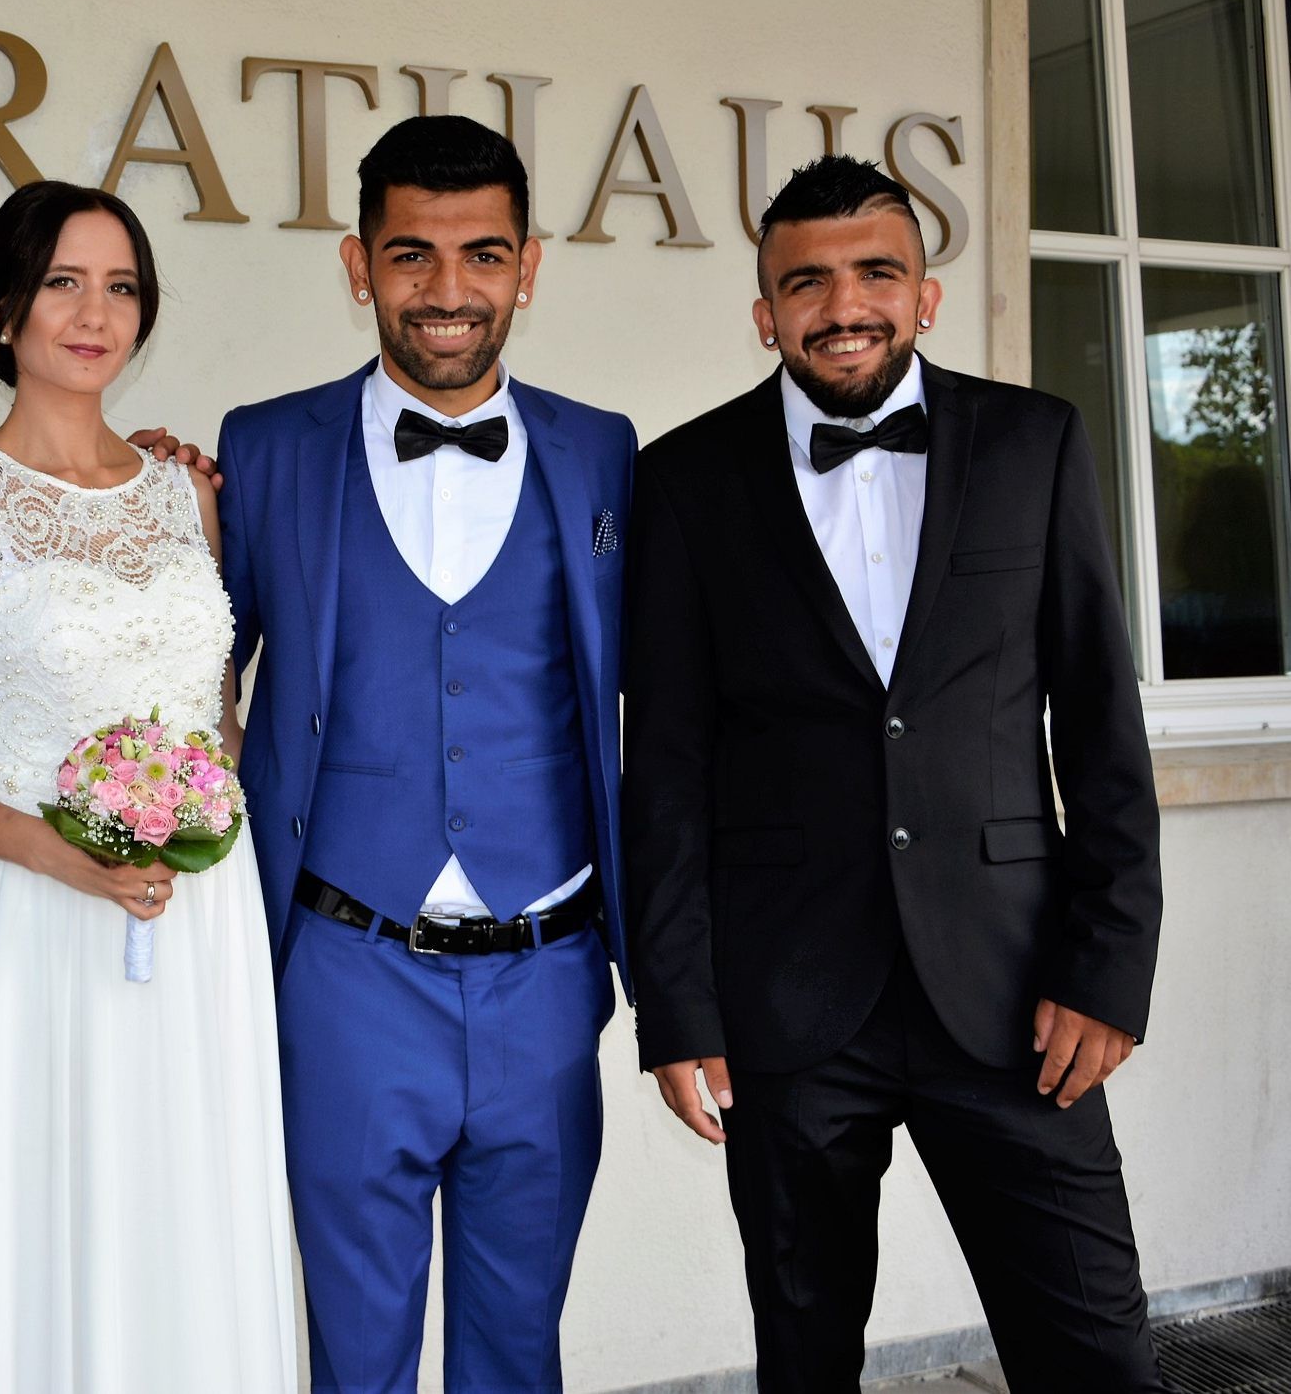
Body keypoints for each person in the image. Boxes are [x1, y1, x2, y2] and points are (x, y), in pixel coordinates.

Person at [624, 155, 1167, 1391]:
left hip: (1019, 996)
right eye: (804, 281)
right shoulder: (685, 479)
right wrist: (682, 1003)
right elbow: (663, 762)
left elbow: (1099, 725)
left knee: (1098, 1354)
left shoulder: (1036, 441)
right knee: (804, 1360)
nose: (842, 302)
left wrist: (1111, 966)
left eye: (877, 270)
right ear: (765, 312)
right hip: (789, 1001)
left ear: (926, 293)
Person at [214, 114, 636, 1393]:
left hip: (547, 974)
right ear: (358, 265)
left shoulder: (604, 449)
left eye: (481, 255)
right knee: (356, 1344)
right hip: (346, 967)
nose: (447, 291)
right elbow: (185, 675)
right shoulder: (262, 447)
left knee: (520, 1342)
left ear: (529, 265)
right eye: (411, 256)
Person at [0, 180, 296, 1393]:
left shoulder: (190, 493)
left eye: (120, 285)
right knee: (47, 1213)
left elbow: (214, 721)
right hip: (40, 916)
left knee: (192, 1207)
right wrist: (69, 856)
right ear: (5, 305)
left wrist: (195, 838)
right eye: (63, 280)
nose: (92, 310)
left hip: (201, 917)